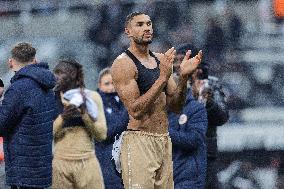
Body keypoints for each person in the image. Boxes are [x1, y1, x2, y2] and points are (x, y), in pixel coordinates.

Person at [111, 12, 202, 189]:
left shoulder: (161, 59)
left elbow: (176, 106)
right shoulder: (123, 64)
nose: (146, 28)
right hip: (139, 142)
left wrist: (183, 78)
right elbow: (135, 111)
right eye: (139, 24)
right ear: (128, 31)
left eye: (149, 24)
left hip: (163, 140)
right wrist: (161, 78)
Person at [0, 42, 58, 189]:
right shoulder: (47, 86)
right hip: (41, 165)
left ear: (10, 63)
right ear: (35, 61)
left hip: (23, 169)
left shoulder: (18, 89)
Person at [176, 43, 229, 189]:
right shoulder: (170, 84)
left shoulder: (210, 83)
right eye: (178, 60)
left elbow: (222, 117)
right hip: (178, 150)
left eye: (184, 59)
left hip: (206, 150)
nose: (180, 63)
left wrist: (209, 101)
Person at [52, 59, 107, 189]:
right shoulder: (51, 100)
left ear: (73, 74)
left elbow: (102, 134)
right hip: (60, 163)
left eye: (60, 73)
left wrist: (84, 114)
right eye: (55, 73)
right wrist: (63, 117)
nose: (56, 76)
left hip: (87, 162)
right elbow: (46, 134)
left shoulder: (92, 98)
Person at [169, 44, 208, 189]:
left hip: (189, 176)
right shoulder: (160, 110)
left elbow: (195, 139)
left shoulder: (197, 107)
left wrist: (165, 132)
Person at [95, 67, 129, 189]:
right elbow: (104, 133)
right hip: (105, 159)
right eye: (107, 84)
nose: (111, 87)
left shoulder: (123, 101)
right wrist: (126, 116)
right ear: (99, 85)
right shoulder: (96, 104)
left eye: (114, 83)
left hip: (125, 159)